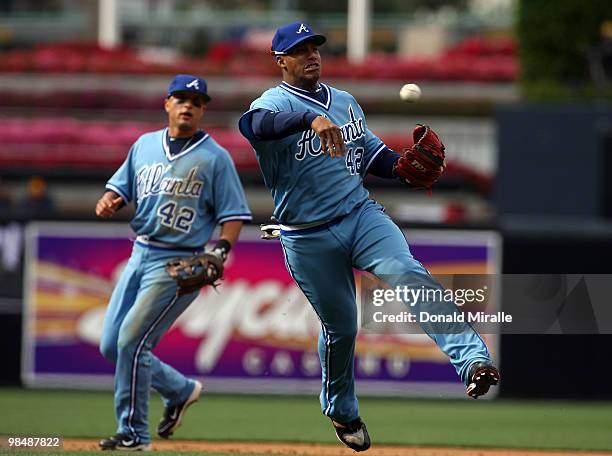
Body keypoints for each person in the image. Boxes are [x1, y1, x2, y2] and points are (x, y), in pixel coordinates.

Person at [239, 22, 499, 452]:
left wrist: (400, 166)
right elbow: (254, 126)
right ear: (280, 60)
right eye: (300, 50)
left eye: (315, 48)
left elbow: (371, 154)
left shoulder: (344, 101)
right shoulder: (273, 102)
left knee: (407, 272)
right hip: (307, 236)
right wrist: (309, 118)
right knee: (341, 328)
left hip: (360, 216)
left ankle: (473, 361)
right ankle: (341, 410)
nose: (312, 55)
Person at [96, 74, 252, 451]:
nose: (187, 105)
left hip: (178, 261)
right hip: (140, 253)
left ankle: (133, 433)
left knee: (132, 341)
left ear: (202, 110)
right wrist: (111, 199)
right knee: (111, 346)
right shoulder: (144, 145)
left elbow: (233, 214)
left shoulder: (215, 157)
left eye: (196, 102)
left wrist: (222, 251)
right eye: (181, 98)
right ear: (167, 103)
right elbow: (121, 187)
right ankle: (179, 390)